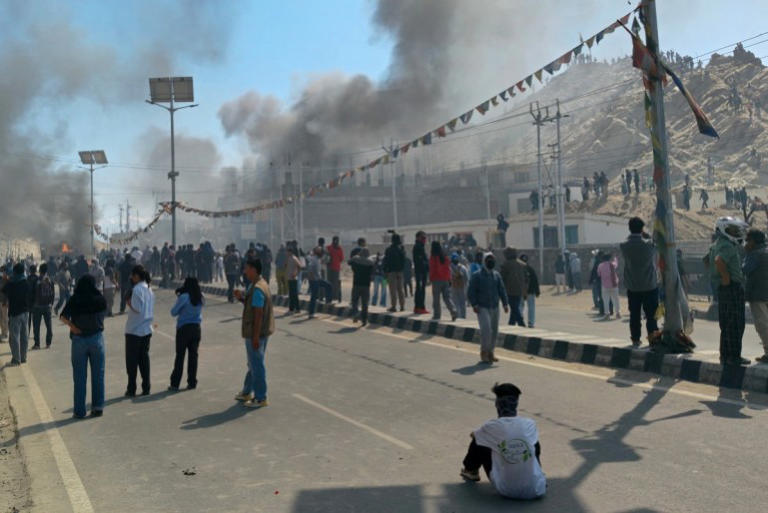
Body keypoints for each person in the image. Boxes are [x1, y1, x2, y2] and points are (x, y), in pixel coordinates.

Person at [460, 383, 546, 500]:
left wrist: (486, 436)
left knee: (479, 439)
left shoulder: (491, 426)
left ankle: (471, 470)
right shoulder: (529, 423)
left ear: (497, 404)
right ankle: (537, 474)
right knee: (533, 442)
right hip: (537, 488)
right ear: (516, 403)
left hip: (506, 489)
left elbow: (474, 435)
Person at [59, 275, 107, 418]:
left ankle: (79, 411)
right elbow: (103, 315)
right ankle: (97, 407)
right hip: (97, 338)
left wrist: (73, 328)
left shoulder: (75, 299)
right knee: (98, 375)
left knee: (79, 377)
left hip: (79, 340)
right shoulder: (100, 299)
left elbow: (63, 316)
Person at [708, 217, 750, 365]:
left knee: (726, 324)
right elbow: (718, 261)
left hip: (724, 288)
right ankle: (734, 357)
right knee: (736, 323)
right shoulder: (727, 246)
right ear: (724, 229)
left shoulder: (716, 244)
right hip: (731, 287)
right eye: (733, 229)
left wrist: (718, 279)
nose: (736, 232)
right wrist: (726, 278)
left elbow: (706, 260)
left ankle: (726, 355)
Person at [233, 258, 274, 409]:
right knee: (253, 363)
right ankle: (246, 392)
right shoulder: (258, 285)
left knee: (256, 365)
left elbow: (258, 314)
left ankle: (260, 397)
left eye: (247, 268)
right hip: (260, 331)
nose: (245, 271)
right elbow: (253, 306)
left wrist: (255, 336)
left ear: (254, 269)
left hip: (256, 332)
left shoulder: (257, 288)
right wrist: (242, 299)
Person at [620, 217, 659, 348]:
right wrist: (646, 235)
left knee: (635, 314)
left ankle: (635, 339)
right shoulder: (648, 244)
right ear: (642, 229)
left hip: (633, 287)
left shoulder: (624, 246)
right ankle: (653, 339)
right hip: (649, 285)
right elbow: (655, 244)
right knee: (652, 315)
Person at [467, 253, 509, 362]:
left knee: (494, 330)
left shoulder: (496, 275)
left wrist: (505, 303)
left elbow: (502, 289)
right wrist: (474, 304)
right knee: (486, 330)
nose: (491, 261)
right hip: (482, 307)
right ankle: (484, 352)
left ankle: (491, 352)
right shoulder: (477, 276)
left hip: (494, 306)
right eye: (488, 259)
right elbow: (471, 292)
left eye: (492, 259)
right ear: (484, 261)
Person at [124, 265, 155, 397]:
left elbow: (137, 308)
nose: (131, 277)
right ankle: (146, 387)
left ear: (137, 276)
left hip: (134, 330)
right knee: (144, 360)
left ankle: (132, 389)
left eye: (132, 275)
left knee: (132, 363)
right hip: (146, 329)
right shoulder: (149, 288)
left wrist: (128, 302)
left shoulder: (137, 290)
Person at [169, 277, 204, 391]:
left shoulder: (184, 297)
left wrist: (179, 298)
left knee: (180, 356)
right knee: (193, 356)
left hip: (184, 328)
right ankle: (192, 382)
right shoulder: (200, 297)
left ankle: (175, 383)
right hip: (196, 328)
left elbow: (173, 312)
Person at [744, 229, 768, 364]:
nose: (746, 243)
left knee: (762, 325)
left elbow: (745, 269)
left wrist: (745, 253)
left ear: (753, 241)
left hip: (758, 294)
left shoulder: (754, 254)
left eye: (748, 240)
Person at [1, 263, 30, 365]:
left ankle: (16, 359)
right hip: (25, 312)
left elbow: (3, 290)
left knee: (14, 337)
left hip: (14, 313)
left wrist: (7, 279)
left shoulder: (11, 283)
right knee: (24, 336)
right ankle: (23, 357)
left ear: (15, 272)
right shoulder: (26, 282)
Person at [429, 241, 457, 321]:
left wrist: (430, 278)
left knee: (436, 299)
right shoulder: (445, 257)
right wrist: (449, 279)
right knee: (447, 298)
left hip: (436, 279)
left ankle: (437, 315)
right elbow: (448, 269)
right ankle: (453, 310)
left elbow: (432, 269)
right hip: (445, 279)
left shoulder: (433, 257)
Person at [500, 247, 527, 327]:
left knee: (514, 308)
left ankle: (521, 324)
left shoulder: (505, 264)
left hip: (509, 290)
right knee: (514, 307)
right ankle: (511, 324)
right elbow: (526, 278)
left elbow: (502, 278)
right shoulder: (522, 264)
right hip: (520, 290)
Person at [31, 263, 55, 349]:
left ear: (40, 270)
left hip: (37, 306)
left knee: (36, 326)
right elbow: (53, 293)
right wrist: (51, 303)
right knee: (49, 326)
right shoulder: (50, 280)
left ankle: (37, 344)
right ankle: (48, 343)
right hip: (47, 306)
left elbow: (33, 292)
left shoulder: (37, 280)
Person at [349, 248, 374, 326]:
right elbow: (373, 272)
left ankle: (355, 313)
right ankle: (364, 320)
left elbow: (349, 262)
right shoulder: (370, 262)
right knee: (365, 303)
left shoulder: (356, 260)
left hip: (356, 284)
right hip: (366, 285)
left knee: (354, 301)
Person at [383, 233, 406, 312]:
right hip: (400, 272)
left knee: (393, 290)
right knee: (400, 289)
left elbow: (386, 261)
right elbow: (404, 261)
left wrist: (385, 271)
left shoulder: (389, 250)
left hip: (391, 272)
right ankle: (402, 306)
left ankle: (393, 306)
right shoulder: (402, 249)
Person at [306, 247, 331, 319]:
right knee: (314, 297)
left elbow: (326, 258)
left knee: (328, 285)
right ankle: (311, 313)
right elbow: (310, 269)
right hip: (314, 280)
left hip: (317, 279)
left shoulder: (318, 258)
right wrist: (312, 278)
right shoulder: (314, 259)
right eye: (321, 252)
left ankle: (328, 301)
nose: (322, 253)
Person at [597, 253, 621, 320]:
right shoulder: (612, 265)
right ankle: (618, 313)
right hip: (614, 285)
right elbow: (616, 263)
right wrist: (615, 258)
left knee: (606, 300)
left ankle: (607, 314)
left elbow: (598, 274)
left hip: (605, 285)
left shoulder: (600, 265)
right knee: (616, 300)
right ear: (609, 259)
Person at [519, 255, 539, 328]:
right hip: (530, 291)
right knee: (531, 307)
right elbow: (535, 280)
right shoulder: (530, 269)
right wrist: (537, 291)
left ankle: (520, 320)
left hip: (521, 291)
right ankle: (531, 322)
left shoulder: (518, 270)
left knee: (520, 306)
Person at [412, 231, 430, 315]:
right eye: (423, 237)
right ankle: (420, 307)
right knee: (420, 290)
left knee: (419, 289)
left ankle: (417, 307)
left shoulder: (420, 246)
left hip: (420, 271)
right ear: (418, 237)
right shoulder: (418, 247)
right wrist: (427, 266)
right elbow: (420, 261)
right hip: (420, 272)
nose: (424, 239)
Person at [450, 252, 470, 319]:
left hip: (453, 287)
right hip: (462, 287)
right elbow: (467, 278)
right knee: (462, 303)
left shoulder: (449, 268)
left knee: (455, 302)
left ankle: (458, 316)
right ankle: (463, 316)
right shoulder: (463, 267)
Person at [326, 236, 344, 303]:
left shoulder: (328, 248)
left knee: (329, 282)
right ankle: (335, 297)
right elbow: (341, 259)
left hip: (329, 268)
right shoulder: (339, 249)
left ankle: (329, 297)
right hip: (336, 268)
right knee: (335, 283)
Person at [285, 247, 302, 313]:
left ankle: (297, 308)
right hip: (289, 278)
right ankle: (291, 308)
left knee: (294, 294)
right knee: (291, 294)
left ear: (290, 252)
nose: (286, 253)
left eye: (288, 252)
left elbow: (300, 266)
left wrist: (296, 274)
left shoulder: (294, 258)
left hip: (293, 278)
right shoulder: (288, 258)